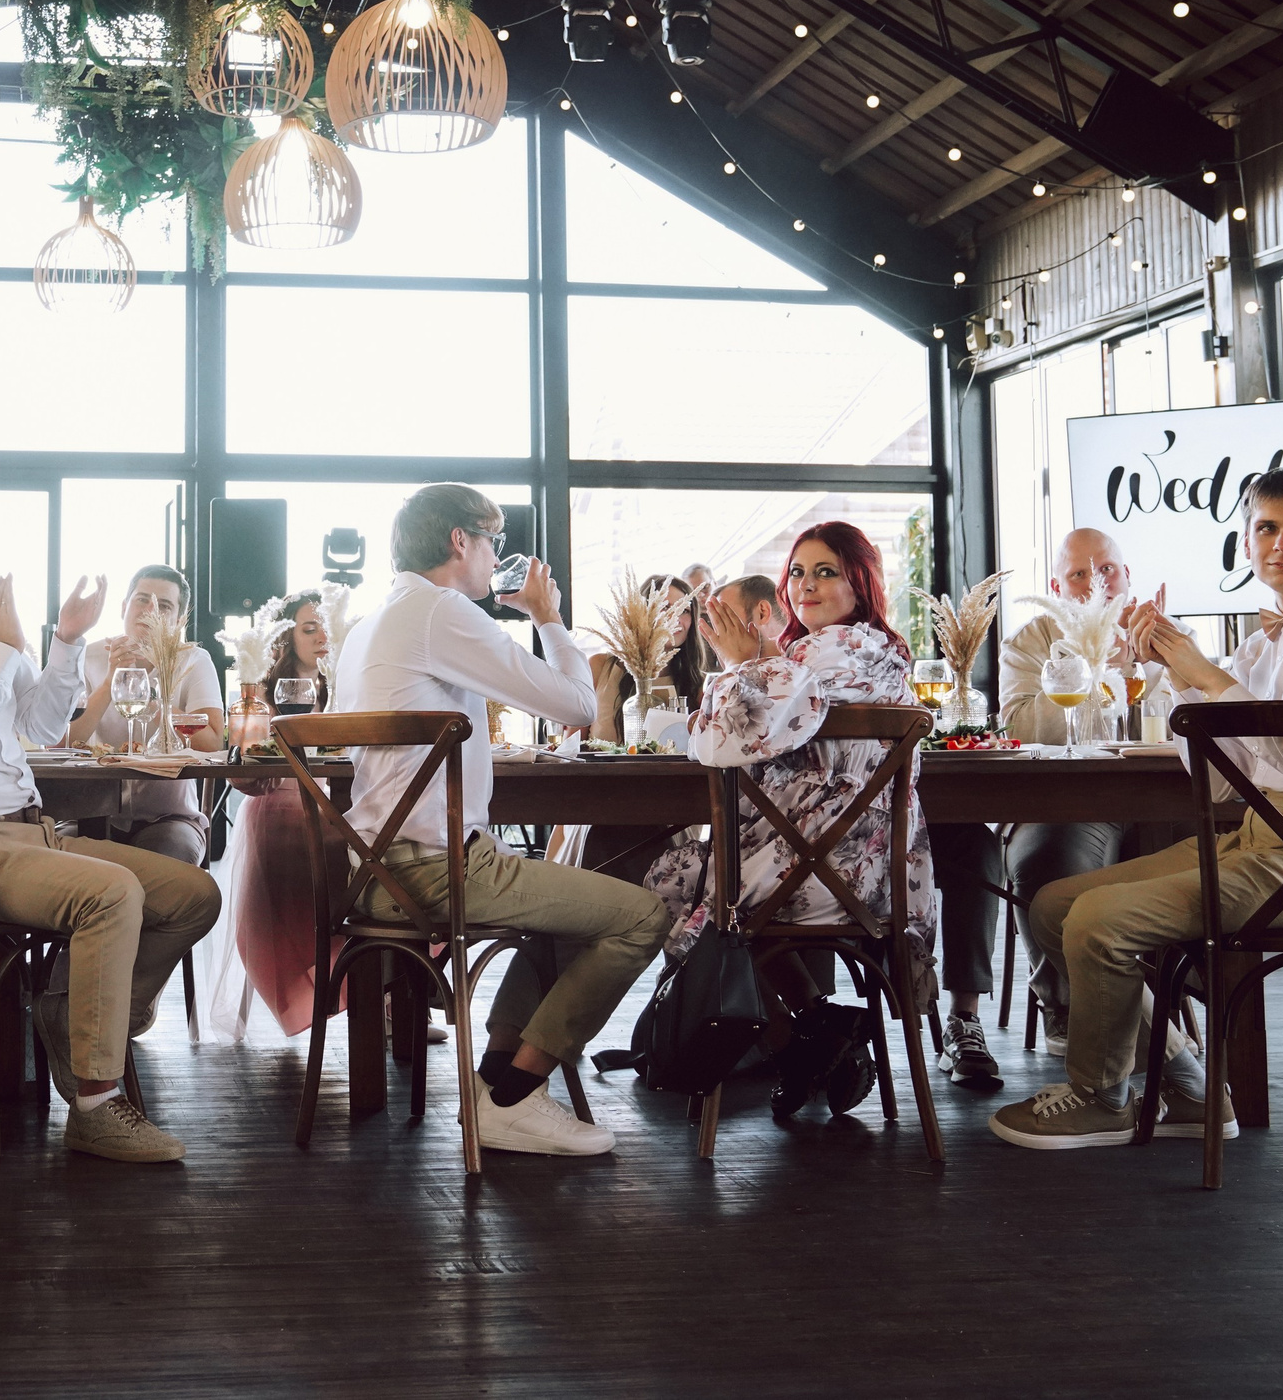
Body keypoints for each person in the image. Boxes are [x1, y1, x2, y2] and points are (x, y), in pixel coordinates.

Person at [991, 465, 1283, 1150]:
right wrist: (1177, 678)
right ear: (1248, 545)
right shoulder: (1261, 644)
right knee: (1052, 906)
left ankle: (1101, 1098)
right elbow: (1223, 782)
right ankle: (1186, 1080)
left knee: (1099, 922)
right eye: (1267, 529)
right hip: (1264, 839)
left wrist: (1203, 673)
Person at [0, 497, 220, 1164]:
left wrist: (68, 642)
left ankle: (65, 1013)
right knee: (112, 893)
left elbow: (44, 727)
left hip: (30, 834)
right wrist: (1, 651)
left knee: (193, 895)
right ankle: (95, 1103)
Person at [332, 483, 668, 1157]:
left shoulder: (373, 622)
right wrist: (547, 616)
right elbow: (578, 706)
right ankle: (514, 1098)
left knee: (565, 914)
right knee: (643, 918)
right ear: (461, 541)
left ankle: (495, 1080)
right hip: (438, 871)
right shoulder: (442, 610)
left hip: (372, 873)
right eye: (494, 541)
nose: (496, 556)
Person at [648, 520, 935, 1122]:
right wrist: (754, 661)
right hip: (869, 876)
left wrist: (738, 662)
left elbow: (718, 742)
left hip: (816, 870)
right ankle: (818, 1025)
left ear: (860, 581)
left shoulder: (822, 654)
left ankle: (792, 1041)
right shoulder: (879, 651)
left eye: (825, 572)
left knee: (680, 886)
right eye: (798, 572)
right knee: (722, 889)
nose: (805, 585)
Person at [930, 528, 1136, 1091]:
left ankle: (1171, 1005)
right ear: (1055, 585)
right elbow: (1021, 726)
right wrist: (1090, 664)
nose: (1095, 583)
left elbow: (1180, 719)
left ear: (1127, 575)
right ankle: (1063, 1003)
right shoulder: (1030, 641)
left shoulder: (1160, 632)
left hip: (1155, 800)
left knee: (1201, 858)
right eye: (1078, 573)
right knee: (1045, 863)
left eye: (1107, 569)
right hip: (1061, 803)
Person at [65, 564, 225, 864]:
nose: (150, 610)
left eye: (164, 605)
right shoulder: (88, 657)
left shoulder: (194, 661)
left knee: (164, 865)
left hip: (170, 817)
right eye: (142, 599)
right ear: (124, 607)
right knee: (63, 865)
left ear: (179, 621)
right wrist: (112, 681)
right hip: (87, 813)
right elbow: (65, 741)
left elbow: (213, 744)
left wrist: (147, 694)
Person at [228, 591, 333, 1035]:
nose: (323, 637)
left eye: (327, 626)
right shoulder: (264, 694)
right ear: (288, 638)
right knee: (304, 828)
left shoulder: (349, 687)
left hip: (339, 805)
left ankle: (388, 993)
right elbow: (246, 775)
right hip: (280, 804)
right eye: (309, 629)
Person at [587, 573, 700, 745]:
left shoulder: (700, 684)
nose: (674, 617)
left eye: (684, 610)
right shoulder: (599, 667)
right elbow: (569, 746)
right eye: (664, 607)